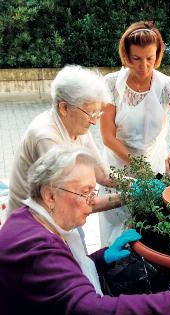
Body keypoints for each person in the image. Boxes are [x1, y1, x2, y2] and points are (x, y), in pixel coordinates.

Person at [0, 146, 170, 315]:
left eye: (94, 192)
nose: (93, 202)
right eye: (85, 192)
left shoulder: (31, 220)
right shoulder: (35, 246)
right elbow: (89, 308)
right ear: (50, 195)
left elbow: (61, 274)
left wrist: (100, 258)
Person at [99, 21, 170, 247]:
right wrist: (138, 168)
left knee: (149, 229)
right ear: (127, 56)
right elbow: (108, 137)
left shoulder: (166, 85)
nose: (144, 66)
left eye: (150, 58)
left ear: (158, 54)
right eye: (137, 59)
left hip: (155, 165)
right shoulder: (111, 84)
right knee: (117, 233)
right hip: (118, 168)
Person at [7, 64, 120, 217]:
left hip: (57, 215)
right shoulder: (46, 138)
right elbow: (72, 204)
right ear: (64, 108)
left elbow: (103, 174)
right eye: (91, 113)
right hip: (31, 223)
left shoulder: (77, 128)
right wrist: (126, 197)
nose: (94, 122)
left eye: (97, 113)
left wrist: (139, 184)